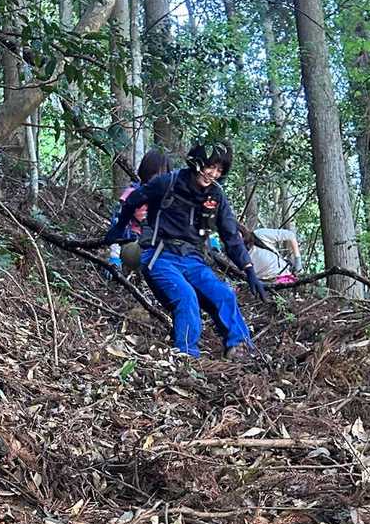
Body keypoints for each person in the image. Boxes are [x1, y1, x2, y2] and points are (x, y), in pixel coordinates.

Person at [106, 141, 268, 360]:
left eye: (219, 170)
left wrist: (248, 269)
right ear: (197, 162)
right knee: (186, 296)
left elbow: (230, 235)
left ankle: (239, 347)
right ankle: (186, 355)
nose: (213, 174)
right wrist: (119, 227)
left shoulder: (216, 196)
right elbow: (134, 198)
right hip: (159, 256)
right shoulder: (168, 182)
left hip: (193, 259)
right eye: (210, 166)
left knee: (223, 294)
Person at [106, 148, 169, 274]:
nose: (157, 179)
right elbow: (117, 224)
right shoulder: (133, 194)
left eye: (162, 175)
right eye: (153, 174)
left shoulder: (169, 198)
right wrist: (114, 256)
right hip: (133, 243)